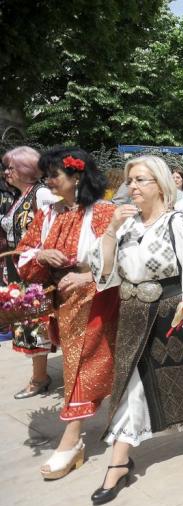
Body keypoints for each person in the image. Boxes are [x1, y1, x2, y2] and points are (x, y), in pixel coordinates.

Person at [88, 156, 183, 505]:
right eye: (130, 180)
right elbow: (104, 274)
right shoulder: (126, 225)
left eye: (141, 180)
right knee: (130, 384)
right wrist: (111, 230)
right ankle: (119, 462)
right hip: (131, 315)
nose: (133, 187)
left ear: (160, 184)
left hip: (169, 315)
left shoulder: (182, 222)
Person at [16, 147, 119, 480]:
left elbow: (124, 255)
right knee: (92, 363)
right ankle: (120, 421)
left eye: (54, 175)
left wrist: (88, 275)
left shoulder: (104, 211)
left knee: (82, 365)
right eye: (46, 175)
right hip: (61, 299)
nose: (49, 181)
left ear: (76, 176)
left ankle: (72, 439)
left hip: (97, 296)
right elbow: (25, 251)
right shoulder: (49, 213)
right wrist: (42, 253)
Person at [2, 147, 58, 398]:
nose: (6, 172)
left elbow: (53, 229)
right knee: (26, 321)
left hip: (34, 268)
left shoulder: (41, 193)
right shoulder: (20, 196)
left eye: (10, 167)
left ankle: (39, 377)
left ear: (24, 170)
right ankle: (40, 373)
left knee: (35, 321)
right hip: (17, 267)